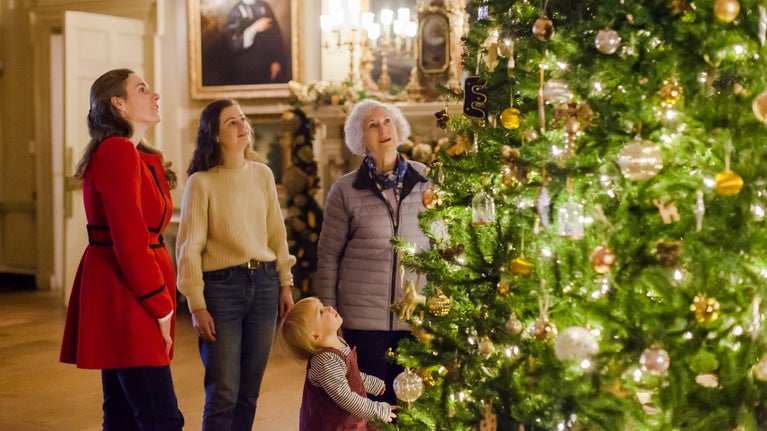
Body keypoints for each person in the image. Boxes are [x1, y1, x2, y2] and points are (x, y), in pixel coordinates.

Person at [59, 68, 185, 430]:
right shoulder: (117, 151)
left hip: (128, 288)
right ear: (118, 103)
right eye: (142, 89)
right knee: (160, 417)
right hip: (128, 292)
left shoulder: (133, 153)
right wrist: (160, 306)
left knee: (123, 412)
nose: (155, 94)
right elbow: (129, 241)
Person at [175, 98, 296, 431]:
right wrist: (196, 304)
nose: (243, 125)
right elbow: (189, 248)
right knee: (224, 391)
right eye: (232, 122)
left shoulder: (263, 175)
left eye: (243, 119)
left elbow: (276, 233)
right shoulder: (201, 183)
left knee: (249, 393)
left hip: (265, 285)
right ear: (214, 135)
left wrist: (285, 282)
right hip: (221, 290)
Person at [317, 99, 431, 406]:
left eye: (388, 121)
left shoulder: (427, 182)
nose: (383, 128)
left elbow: (441, 244)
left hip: (415, 316)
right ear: (360, 139)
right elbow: (328, 257)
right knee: (369, 407)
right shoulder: (344, 190)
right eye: (373, 125)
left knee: (414, 406)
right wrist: (330, 317)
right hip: (364, 321)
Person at [280, 297, 398, 430]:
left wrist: (371, 383)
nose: (329, 308)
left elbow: (350, 376)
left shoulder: (339, 343)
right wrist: (377, 410)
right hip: (332, 425)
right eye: (321, 312)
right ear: (315, 336)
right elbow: (346, 398)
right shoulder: (326, 362)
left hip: (347, 421)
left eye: (323, 305)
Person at [222, 0, 286, 85]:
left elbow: (276, 35)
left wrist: (276, 60)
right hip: (246, 70)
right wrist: (254, 29)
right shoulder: (236, 11)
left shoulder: (264, 7)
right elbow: (233, 44)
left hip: (266, 68)